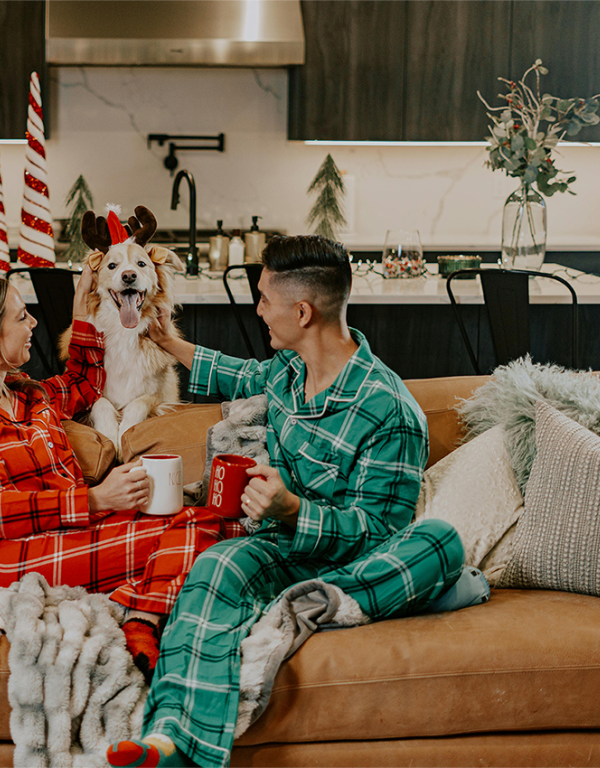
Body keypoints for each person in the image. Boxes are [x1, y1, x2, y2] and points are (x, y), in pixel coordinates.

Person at [107, 235, 465, 768]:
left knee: (440, 542)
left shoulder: (389, 409)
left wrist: (294, 509)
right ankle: (174, 740)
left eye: (264, 299)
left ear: (302, 312)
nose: (257, 310)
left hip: (352, 555)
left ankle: (307, 603)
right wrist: (166, 340)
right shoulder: (288, 374)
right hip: (281, 547)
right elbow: (240, 373)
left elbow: (380, 534)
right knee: (216, 565)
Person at [0, 270, 244, 677]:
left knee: (221, 525)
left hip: (71, 533)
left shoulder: (30, 397)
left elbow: (85, 381)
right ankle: (143, 619)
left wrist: (81, 309)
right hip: (9, 556)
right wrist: (98, 498)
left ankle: (140, 603)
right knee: (203, 531)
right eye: (21, 317)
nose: (33, 324)